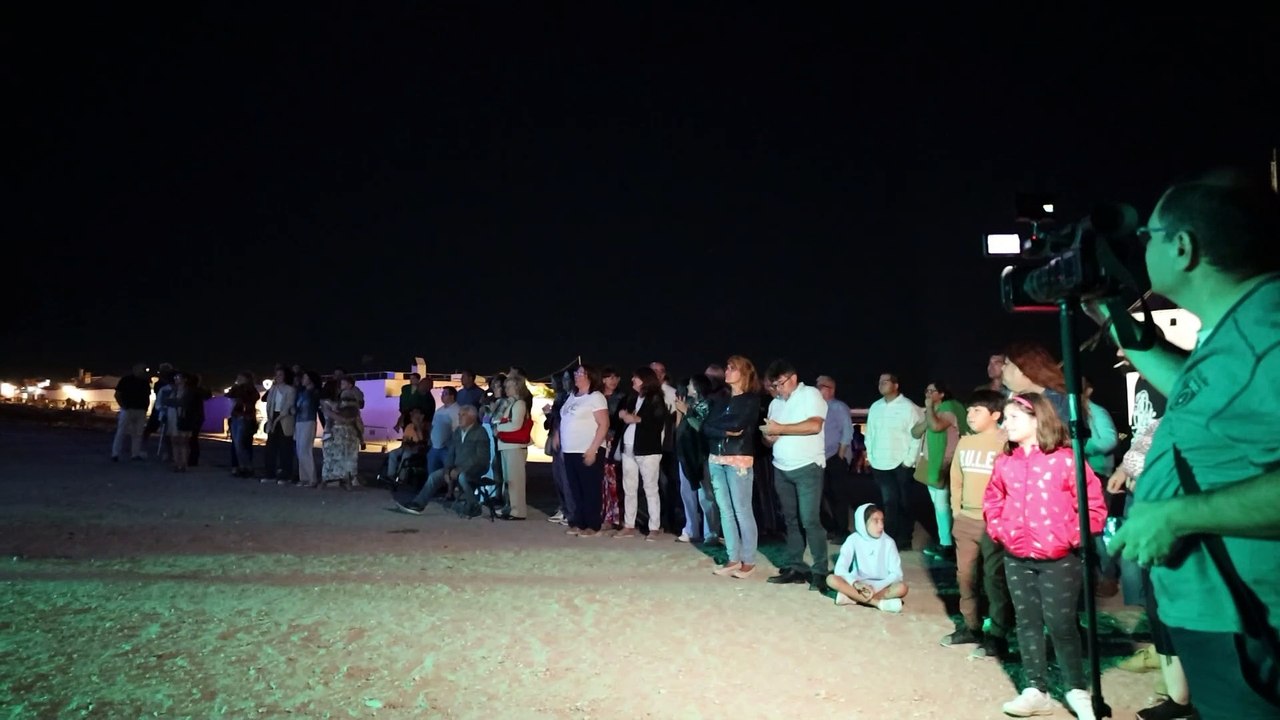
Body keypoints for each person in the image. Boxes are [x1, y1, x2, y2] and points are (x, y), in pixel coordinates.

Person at [1099, 170, 1280, 717]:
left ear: (1183, 246)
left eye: (1147, 234)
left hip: (1250, 620)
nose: (1141, 247)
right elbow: (1208, 400)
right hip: (1218, 612)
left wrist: (1176, 516)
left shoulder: (1266, 334)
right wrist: (1114, 319)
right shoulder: (1236, 327)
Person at [984, 393, 1107, 719]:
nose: (1005, 424)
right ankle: (1035, 689)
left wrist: (1071, 537)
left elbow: (1092, 502)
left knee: (1062, 624)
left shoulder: (1066, 459)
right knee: (1027, 624)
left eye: (1013, 418)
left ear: (1037, 419)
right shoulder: (1005, 462)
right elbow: (993, 499)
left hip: (1059, 559)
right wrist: (1001, 530)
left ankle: (1077, 690)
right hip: (1016, 556)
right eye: (1005, 418)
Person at [942, 389, 1013, 659]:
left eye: (977, 411)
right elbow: (956, 477)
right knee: (965, 578)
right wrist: (956, 511)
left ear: (995, 414)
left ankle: (997, 635)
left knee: (994, 579)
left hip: (994, 523)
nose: (970, 415)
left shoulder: (1006, 442)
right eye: (969, 410)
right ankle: (971, 627)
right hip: (967, 521)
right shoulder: (965, 443)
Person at [760, 359, 829, 592]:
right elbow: (768, 438)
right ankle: (796, 567)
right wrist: (769, 437)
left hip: (808, 467)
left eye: (780, 384)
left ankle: (820, 571)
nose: (777, 389)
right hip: (781, 467)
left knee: (810, 520)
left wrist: (780, 429)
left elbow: (814, 426)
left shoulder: (811, 395)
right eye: (774, 385)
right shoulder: (775, 404)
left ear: (793, 378)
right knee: (790, 520)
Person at [827, 503, 907, 613]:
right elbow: (840, 569)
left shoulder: (889, 542)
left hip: (880, 585)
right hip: (858, 585)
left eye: (882, 520)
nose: (881, 526)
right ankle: (878, 603)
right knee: (831, 579)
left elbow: (897, 574)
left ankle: (852, 598)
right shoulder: (853, 539)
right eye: (875, 521)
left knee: (902, 588)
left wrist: (875, 588)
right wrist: (856, 583)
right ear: (863, 523)